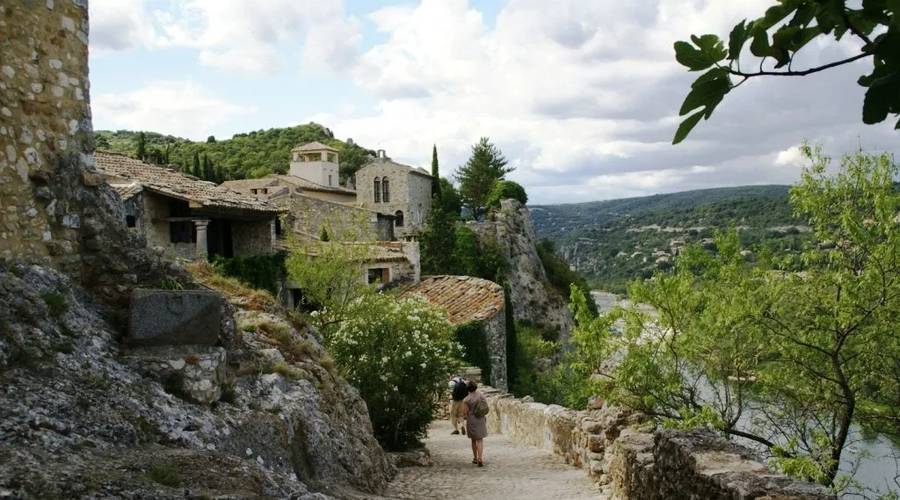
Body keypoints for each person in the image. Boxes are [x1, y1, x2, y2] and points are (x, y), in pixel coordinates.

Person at [462, 380, 487, 466]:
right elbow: (485, 405)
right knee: (480, 440)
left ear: (468, 389)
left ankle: (475, 458)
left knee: (473, 440)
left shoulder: (466, 399)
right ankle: (480, 458)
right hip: (480, 419)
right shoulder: (481, 395)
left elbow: (465, 413)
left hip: (472, 420)